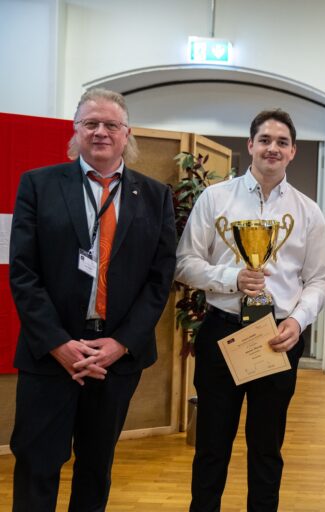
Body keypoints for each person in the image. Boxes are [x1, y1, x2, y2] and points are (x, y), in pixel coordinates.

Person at [8, 88, 177, 511]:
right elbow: (24, 273)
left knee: (96, 467)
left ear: (127, 133)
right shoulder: (38, 185)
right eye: (91, 123)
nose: (101, 132)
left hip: (114, 358)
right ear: (76, 130)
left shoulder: (156, 197)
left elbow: (160, 281)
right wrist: (58, 344)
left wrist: (120, 344)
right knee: (36, 465)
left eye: (111, 124)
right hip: (50, 355)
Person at [175, 108, 325, 511]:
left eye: (282, 142)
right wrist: (231, 279)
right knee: (212, 446)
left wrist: (298, 321)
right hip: (222, 332)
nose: (272, 148)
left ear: (293, 151)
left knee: (267, 448)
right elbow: (185, 262)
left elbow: (318, 280)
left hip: (278, 339)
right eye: (265, 140)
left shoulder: (307, 211)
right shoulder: (215, 198)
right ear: (250, 146)